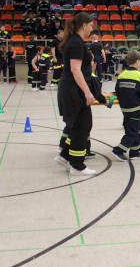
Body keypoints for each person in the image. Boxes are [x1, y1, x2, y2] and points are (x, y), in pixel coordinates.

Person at [55, 12, 99, 175]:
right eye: (91, 24)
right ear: (84, 25)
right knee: (83, 125)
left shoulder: (77, 42)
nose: (92, 27)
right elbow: (75, 70)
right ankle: (77, 165)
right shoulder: (76, 44)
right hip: (74, 90)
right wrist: (87, 92)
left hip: (74, 89)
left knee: (80, 125)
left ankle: (65, 155)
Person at [111, 50, 140, 161]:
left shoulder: (121, 75)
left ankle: (134, 151)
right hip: (135, 108)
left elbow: (117, 91)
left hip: (124, 108)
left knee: (132, 128)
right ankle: (119, 150)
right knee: (133, 132)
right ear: (138, 61)